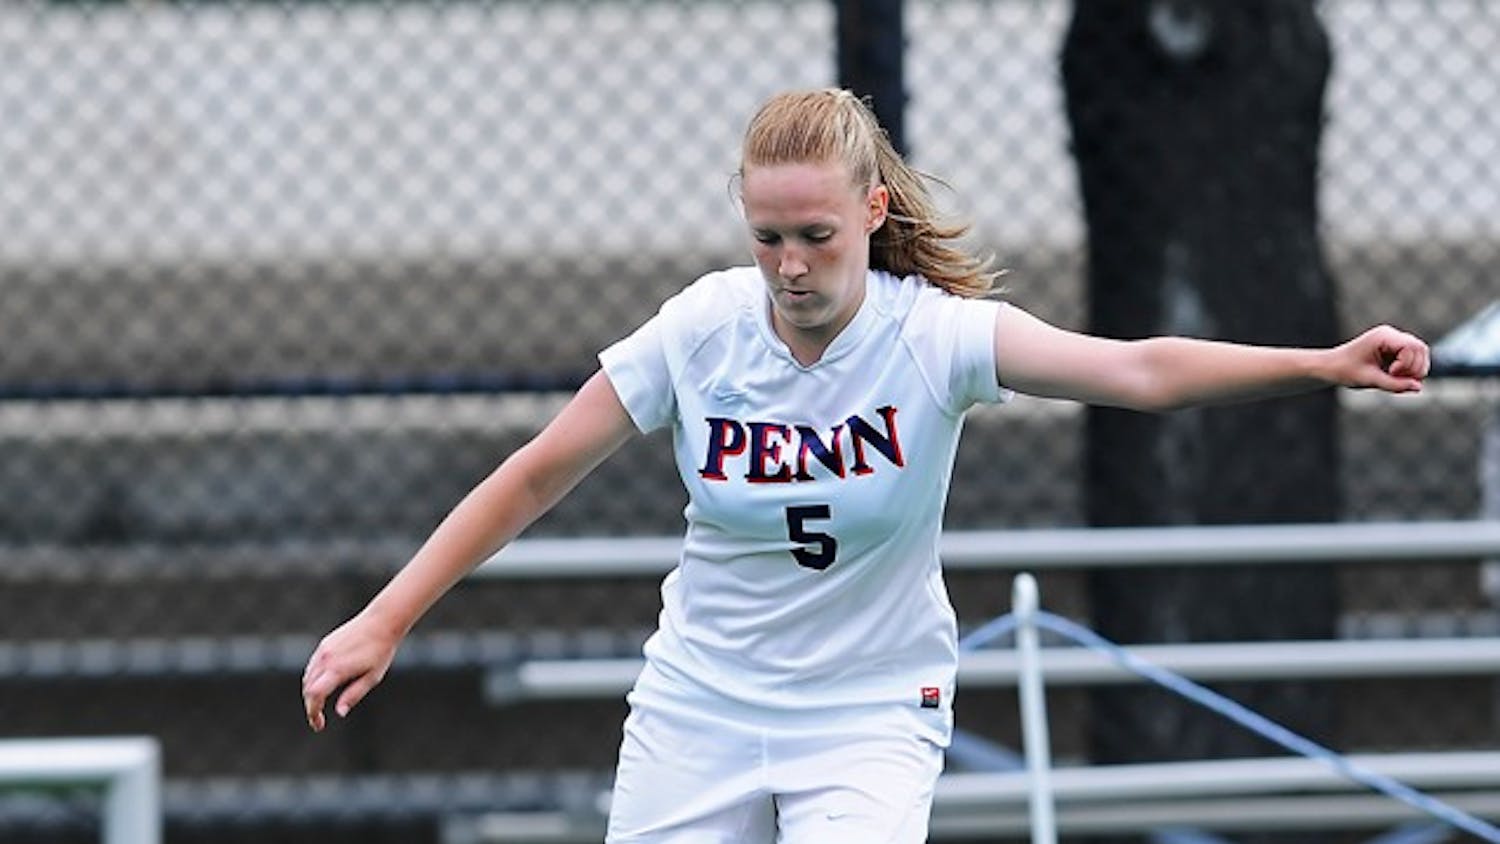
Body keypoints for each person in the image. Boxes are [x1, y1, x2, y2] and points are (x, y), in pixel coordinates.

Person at [301, 87, 1430, 842]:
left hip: (869, 711)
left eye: (817, 237)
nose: (790, 266)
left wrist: (1322, 363)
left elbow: (1137, 369)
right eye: (767, 238)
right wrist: (385, 619)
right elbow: (536, 472)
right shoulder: (700, 331)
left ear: (871, 211)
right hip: (701, 701)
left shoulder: (934, 337)